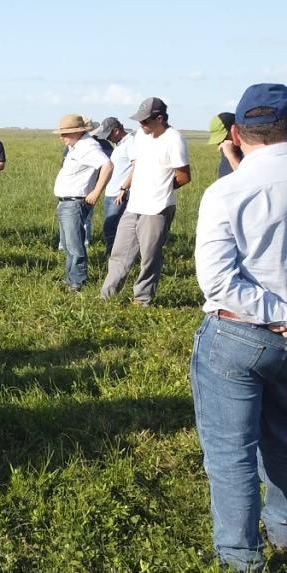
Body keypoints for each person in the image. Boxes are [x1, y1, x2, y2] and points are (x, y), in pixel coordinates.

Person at [191, 82, 287, 572]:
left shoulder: (228, 189)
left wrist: (278, 314)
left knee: (232, 454)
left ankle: (241, 558)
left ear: (236, 132)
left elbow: (219, 281)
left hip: (239, 334)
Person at [101, 97, 191, 306]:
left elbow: (184, 176)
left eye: (145, 121)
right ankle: (106, 298)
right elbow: (138, 165)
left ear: (159, 118)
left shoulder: (174, 139)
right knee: (119, 253)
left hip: (158, 207)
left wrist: (160, 187)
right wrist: (125, 187)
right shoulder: (141, 136)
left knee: (150, 257)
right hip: (134, 206)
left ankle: (142, 299)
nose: (141, 125)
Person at [51, 114, 114, 292]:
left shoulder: (88, 147)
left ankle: (78, 281)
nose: (62, 137)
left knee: (75, 243)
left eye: (66, 133)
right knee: (69, 243)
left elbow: (107, 166)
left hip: (75, 202)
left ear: (77, 132)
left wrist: (96, 192)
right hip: (67, 202)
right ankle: (71, 277)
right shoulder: (77, 146)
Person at [91, 117, 135, 255]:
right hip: (112, 193)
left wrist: (124, 188)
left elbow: (137, 166)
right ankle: (114, 255)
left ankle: (114, 256)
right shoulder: (120, 144)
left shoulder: (130, 142)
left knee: (111, 227)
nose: (108, 139)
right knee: (112, 227)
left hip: (120, 194)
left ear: (117, 130)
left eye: (109, 135)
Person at [209, 112, 243, 178]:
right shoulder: (229, 150)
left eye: (223, 139)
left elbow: (247, 181)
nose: (221, 144)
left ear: (234, 130)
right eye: (218, 142)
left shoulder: (251, 151)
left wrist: (231, 156)